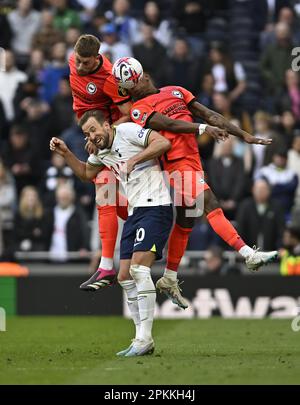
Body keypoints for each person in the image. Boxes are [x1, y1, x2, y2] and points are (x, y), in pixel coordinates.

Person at [116, 62, 278, 307]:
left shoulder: (176, 91)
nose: (133, 91)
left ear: (144, 76)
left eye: (134, 84)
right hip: (176, 165)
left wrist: (244, 135)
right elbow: (168, 125)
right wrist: (203, 128)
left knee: (185, 219)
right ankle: (248, 254)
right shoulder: (139, 110)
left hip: (193, 160)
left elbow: (210, 114)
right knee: (210, 203)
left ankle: (169, 277)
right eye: (129, 89)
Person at [50, 110, 173, 356]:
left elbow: (163, 142)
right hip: (135, 211)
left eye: (94, 130)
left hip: (156, 205)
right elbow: (86, 173)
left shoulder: (127, 132)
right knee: (124, 276)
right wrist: (65, 153)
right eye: (86, 134)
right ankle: (140, 338)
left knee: (139, 270)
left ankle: (145, 338)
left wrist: (134, 160)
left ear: (107, 125)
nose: (92, 137)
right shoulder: (102, 153)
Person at [69, 34, 132, 288]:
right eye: (77, 61)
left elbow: (129, 114)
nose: (79, 67)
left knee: (103, 186)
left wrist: (100, 135)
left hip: (114, 138)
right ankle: (106, 264)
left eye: (85, 63)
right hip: (93, 132)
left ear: (98, 58)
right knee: (104, 189)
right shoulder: (73, 61)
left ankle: (107, 265)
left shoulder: (110, 77)